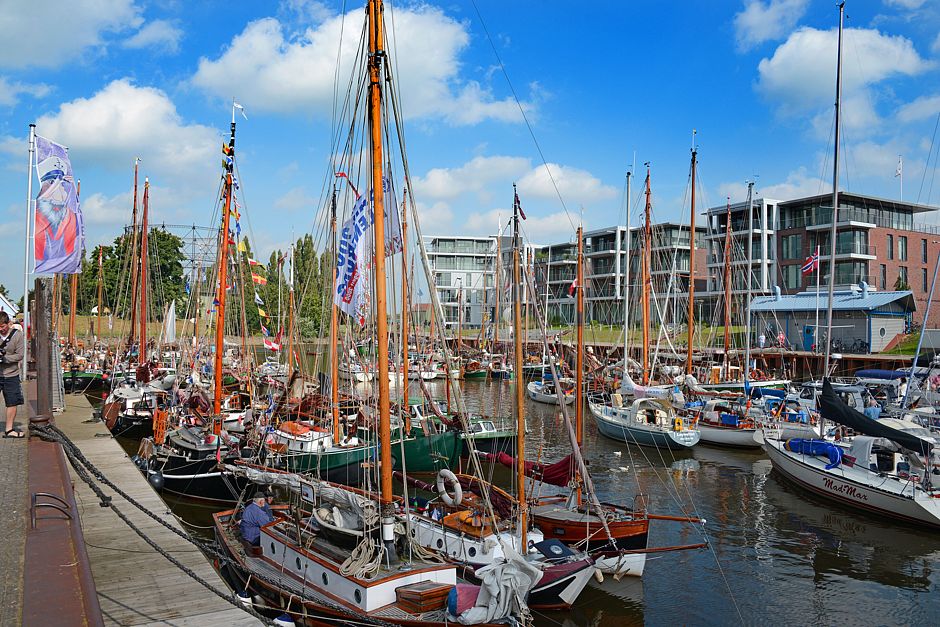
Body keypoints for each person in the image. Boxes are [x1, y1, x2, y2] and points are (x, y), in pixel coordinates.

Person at [0, 312, 25, 438]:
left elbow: (20, 355)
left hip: (11, 374)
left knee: (12, 402)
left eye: (3, 326)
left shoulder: (18, 335)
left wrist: (5, 359)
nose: (1, 329)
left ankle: (9, 430)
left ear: (8, 324)